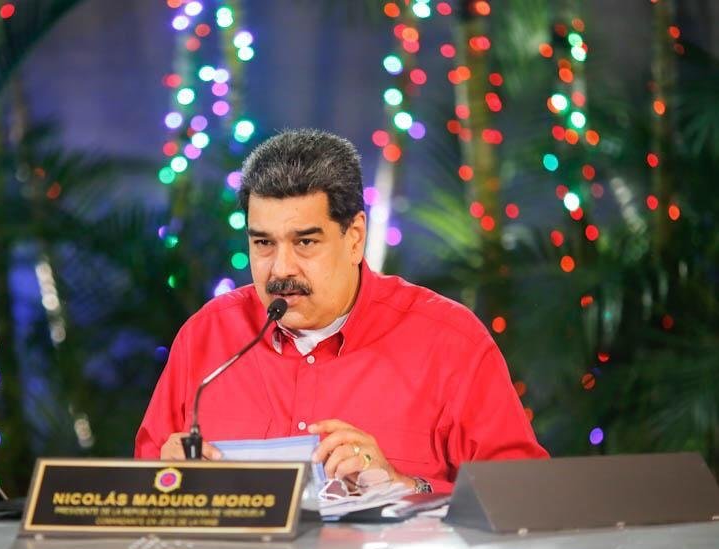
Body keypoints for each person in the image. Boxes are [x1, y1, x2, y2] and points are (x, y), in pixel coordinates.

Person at [135, 129, 548, 494]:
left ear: (355, 238)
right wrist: (165, 481)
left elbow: (523, 499)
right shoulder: (206, 336)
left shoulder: (449, 341)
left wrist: (403, 486)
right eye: (263, 243)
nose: (281, 269)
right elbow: (142, 495)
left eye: (305, 243)